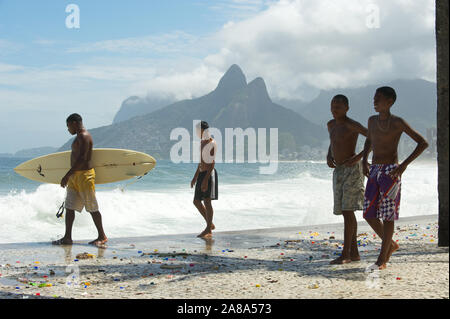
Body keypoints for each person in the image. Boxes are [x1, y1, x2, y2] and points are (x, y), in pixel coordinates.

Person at [362, 87, 428, 269]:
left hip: (391, 171)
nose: (374, 101)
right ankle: (390, 244)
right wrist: (364, 161)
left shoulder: (398, 122)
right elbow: (369, 140)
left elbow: (423, 143)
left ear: (390, 102)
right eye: (374, 98)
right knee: (368, 213)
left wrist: (404, 165)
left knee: (388, 216)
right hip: (374, 170)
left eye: (379, 99)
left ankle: (382, 258)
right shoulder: (372, 120)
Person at [52, 113, 108, 247]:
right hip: (75, 176)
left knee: (92, 207)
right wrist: (70, 175)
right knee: (69, 207)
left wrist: (67, 175)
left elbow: (83, 158)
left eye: (68, 126)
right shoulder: (78, 136)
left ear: (74, 123)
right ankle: (67, 237)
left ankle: (102, 236)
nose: (68, 129)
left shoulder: (84, 136)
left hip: (85, 176)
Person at [327, 95, 368, 265]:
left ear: (346, 108)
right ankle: (354, 253)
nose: (334, 109)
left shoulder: (352, 124)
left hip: (352, 170)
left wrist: (359, 157)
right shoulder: (331, 124)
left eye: (338, 106)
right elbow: (333, 142)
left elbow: (371, 137)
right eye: (332, 106)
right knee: (345, 211)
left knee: (348, 210)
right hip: (339, 170)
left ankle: (346, 253)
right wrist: (329, 154)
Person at [191, 121, 218, 238]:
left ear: (203, 130)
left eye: (198, 130)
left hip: (209, 174)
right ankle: (210, 224)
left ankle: (208, 229)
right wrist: (195, 177)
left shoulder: (212, 143)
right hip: (201, 174)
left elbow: (212, 163)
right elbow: (200, 162)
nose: (197, 132)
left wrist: (206, 180)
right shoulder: (201, 143)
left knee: (207, 201)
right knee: (196, 201)